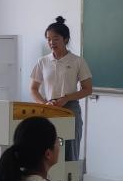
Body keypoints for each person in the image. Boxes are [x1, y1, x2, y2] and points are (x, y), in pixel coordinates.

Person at [30, 16, 92, 161]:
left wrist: (66, 98)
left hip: (70, 109)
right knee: (47, 152)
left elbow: (87, 89)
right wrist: (44, 103)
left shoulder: (77, 61)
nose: (51, 42)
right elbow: (33, 89)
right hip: (48, 109)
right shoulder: (43, 61)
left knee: (70, 151)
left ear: (66, 39)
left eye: (55, 39)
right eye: (48, 39)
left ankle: (70, 176)